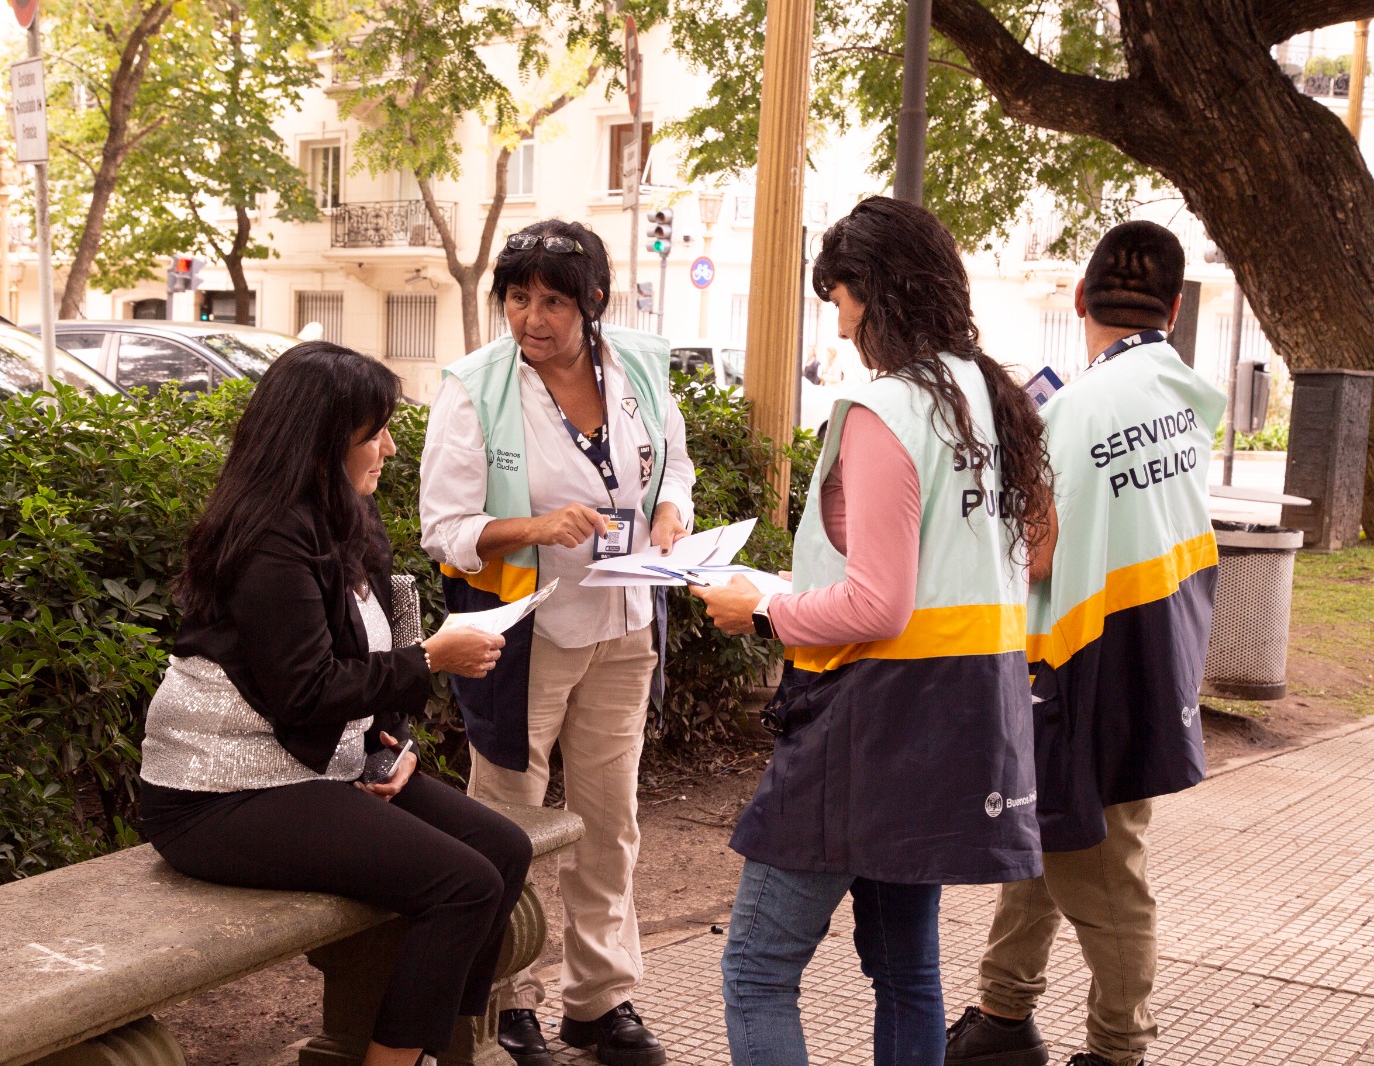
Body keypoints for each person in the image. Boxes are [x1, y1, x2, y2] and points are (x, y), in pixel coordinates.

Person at [692, 196, 1053, 1066]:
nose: (843, 326)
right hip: (967, 716)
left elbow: (879, 608)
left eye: (841, 300)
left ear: (872, 294)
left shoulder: (886, 407)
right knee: (907, 970)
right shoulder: (988, 396)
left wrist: (765, 606)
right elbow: (1011, 560)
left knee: (757, 971)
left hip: (872, 723)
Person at [137, 342, 533, 1066]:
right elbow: (308, 689)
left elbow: (368, 659)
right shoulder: (269, 542)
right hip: (220, 794)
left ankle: (443, 1047)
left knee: (502, 849)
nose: (388, 446)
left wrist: (396, 746)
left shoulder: (345, 521)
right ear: (322, 445)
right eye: (373, 432)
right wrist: (431, 661)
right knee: (462, 885)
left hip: (316, 764)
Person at [943, 222, 1227, 1066]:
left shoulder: (1068, 411)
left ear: (1079, 300)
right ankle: (1002, 1013)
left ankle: (1117, 1051)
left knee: (1101, 872)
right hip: (1156, 650)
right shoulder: (1178, 396)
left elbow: (1032, 550)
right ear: (1173, 310)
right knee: (1049, 838)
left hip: (1076, 663)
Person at [419, 219, 696, 1066]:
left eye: (552, 300)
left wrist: (671, 513)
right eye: (517, 297)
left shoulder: (639, 364)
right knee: (507, 821)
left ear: (594, 303)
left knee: (611, 824)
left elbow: (673, 464)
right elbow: (444, 529)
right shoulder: (474, 387)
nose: (532, 318)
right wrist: (537, 526)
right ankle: (508, 1000)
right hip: (525, 634)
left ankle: (598, 1000)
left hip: (625, 619)